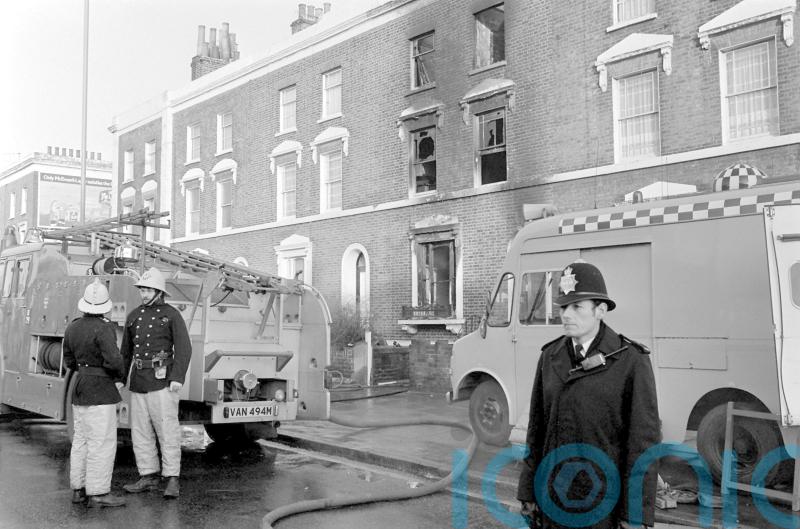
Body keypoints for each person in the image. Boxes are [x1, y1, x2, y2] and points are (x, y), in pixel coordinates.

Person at [517, 261, 660, 529]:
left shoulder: (630, 361)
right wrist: (528, 491)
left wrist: (635, 514)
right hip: (552, 499)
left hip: (602, 504)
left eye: (577, 307)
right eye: (563, 307)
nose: (566, 315)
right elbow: (536, 430)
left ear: (600, 310)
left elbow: (643, 444)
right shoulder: (550, 356)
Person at [121, 267, 191, 499]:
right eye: (141, 289)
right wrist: (121, 378)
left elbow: (184, 348)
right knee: (140, 432)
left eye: (147, 289)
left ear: (158, 291)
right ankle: (148, 475)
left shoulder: (172, 315)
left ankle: (172, 478)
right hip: (139, 380)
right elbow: (126, 352)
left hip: (162, 381)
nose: (143, 294)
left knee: (167, 430)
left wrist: (177, 378)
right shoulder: (133, 316)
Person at [63, 279, 127, 508]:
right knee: (101, 442)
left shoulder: (72, 326)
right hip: (101, 390)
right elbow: (114, 360)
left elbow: (68, 360)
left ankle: (78, 490)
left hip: (80, 386)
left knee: (81, 440)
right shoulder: (105, 327)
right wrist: (120, 377)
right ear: (105, 306)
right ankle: (99, 492)